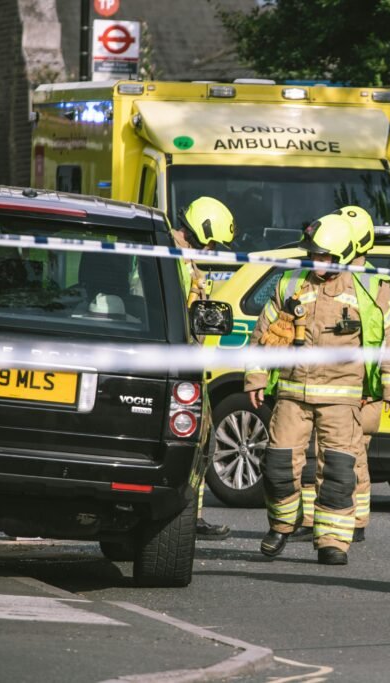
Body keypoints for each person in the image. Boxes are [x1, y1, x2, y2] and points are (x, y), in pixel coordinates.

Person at [245, 214, 390, 565]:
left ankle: (332, 541)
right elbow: (262, 334)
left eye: (324, 257)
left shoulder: (366, 290)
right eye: (313, 255)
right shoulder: (290, 284)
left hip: (341, 398)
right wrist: (256, 377)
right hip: (292, 392)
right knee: (278, 465)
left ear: (342, 256)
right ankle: (281, 526)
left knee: (337, 471)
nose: (316, 263)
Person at [289, 205, 390, 544]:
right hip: (335, 384)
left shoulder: (371, 284)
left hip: (360, 386)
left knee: (349, 455)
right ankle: (321, 519)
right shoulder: (341, 277)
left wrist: (389, 387)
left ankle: (351, 521)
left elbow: (388, 339)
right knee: (328, 453)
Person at [174, 196, 236, 541]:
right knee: (190, 442)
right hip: (178, 368)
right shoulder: (174, 261)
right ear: (200, 232)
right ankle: (184, 516)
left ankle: (191, 516)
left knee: (200, 442)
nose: (212, 250)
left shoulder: (187, 262)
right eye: (211, 243)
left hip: (192, 367)